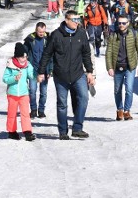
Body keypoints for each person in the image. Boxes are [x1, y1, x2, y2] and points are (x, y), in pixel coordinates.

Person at [38, 10, 95, 140]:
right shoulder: (56, 35)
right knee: (62, 104)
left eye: (78, 19)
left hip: (78, 74)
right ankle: (63, 131)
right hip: (61, 76)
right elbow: (47, 54)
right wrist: (41, 71)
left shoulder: (81, 33)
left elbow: (86, 54)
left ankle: (77, 128)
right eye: (74, 20)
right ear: (67, 20)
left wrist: (90, 72)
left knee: (84, 98)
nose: (77, 22)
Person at [105, 14, 138, 121]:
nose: (121, 25)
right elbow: (108, 52)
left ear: (128, 23)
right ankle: (119, 110)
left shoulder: (134, 34)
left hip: (130, 67)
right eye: (119, 23)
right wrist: (109, 67)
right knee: (117, 90)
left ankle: (127, 111)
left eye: (123, 23)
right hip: (117, 66)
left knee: (129, 89)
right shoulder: (113, 35)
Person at [2, 43, 36, 141]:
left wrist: (36, 75)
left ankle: (27, 131)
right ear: (17, 57)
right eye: (22, 57)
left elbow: (31, 74)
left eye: (25, 56)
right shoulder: (10, 65)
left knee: (25, 113)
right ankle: (12, 131)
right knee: (12, 113)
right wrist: (14, 78)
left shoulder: (27, 65)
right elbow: (5, 79)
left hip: (24, 93)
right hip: (12, 94)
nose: (24, 59)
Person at [24, 22, 50, 119]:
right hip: (33, 70)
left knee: (43, 92)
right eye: (39, 32)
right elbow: (23, 51)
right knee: (32, 91)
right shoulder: (30, 39)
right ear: (36, 30)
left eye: (43, 32)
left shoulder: (48, 39)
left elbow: (51, 55)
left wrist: (50, 69)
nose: (41, 33)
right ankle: (33, 110)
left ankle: (41, 110)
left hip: (44, 70)